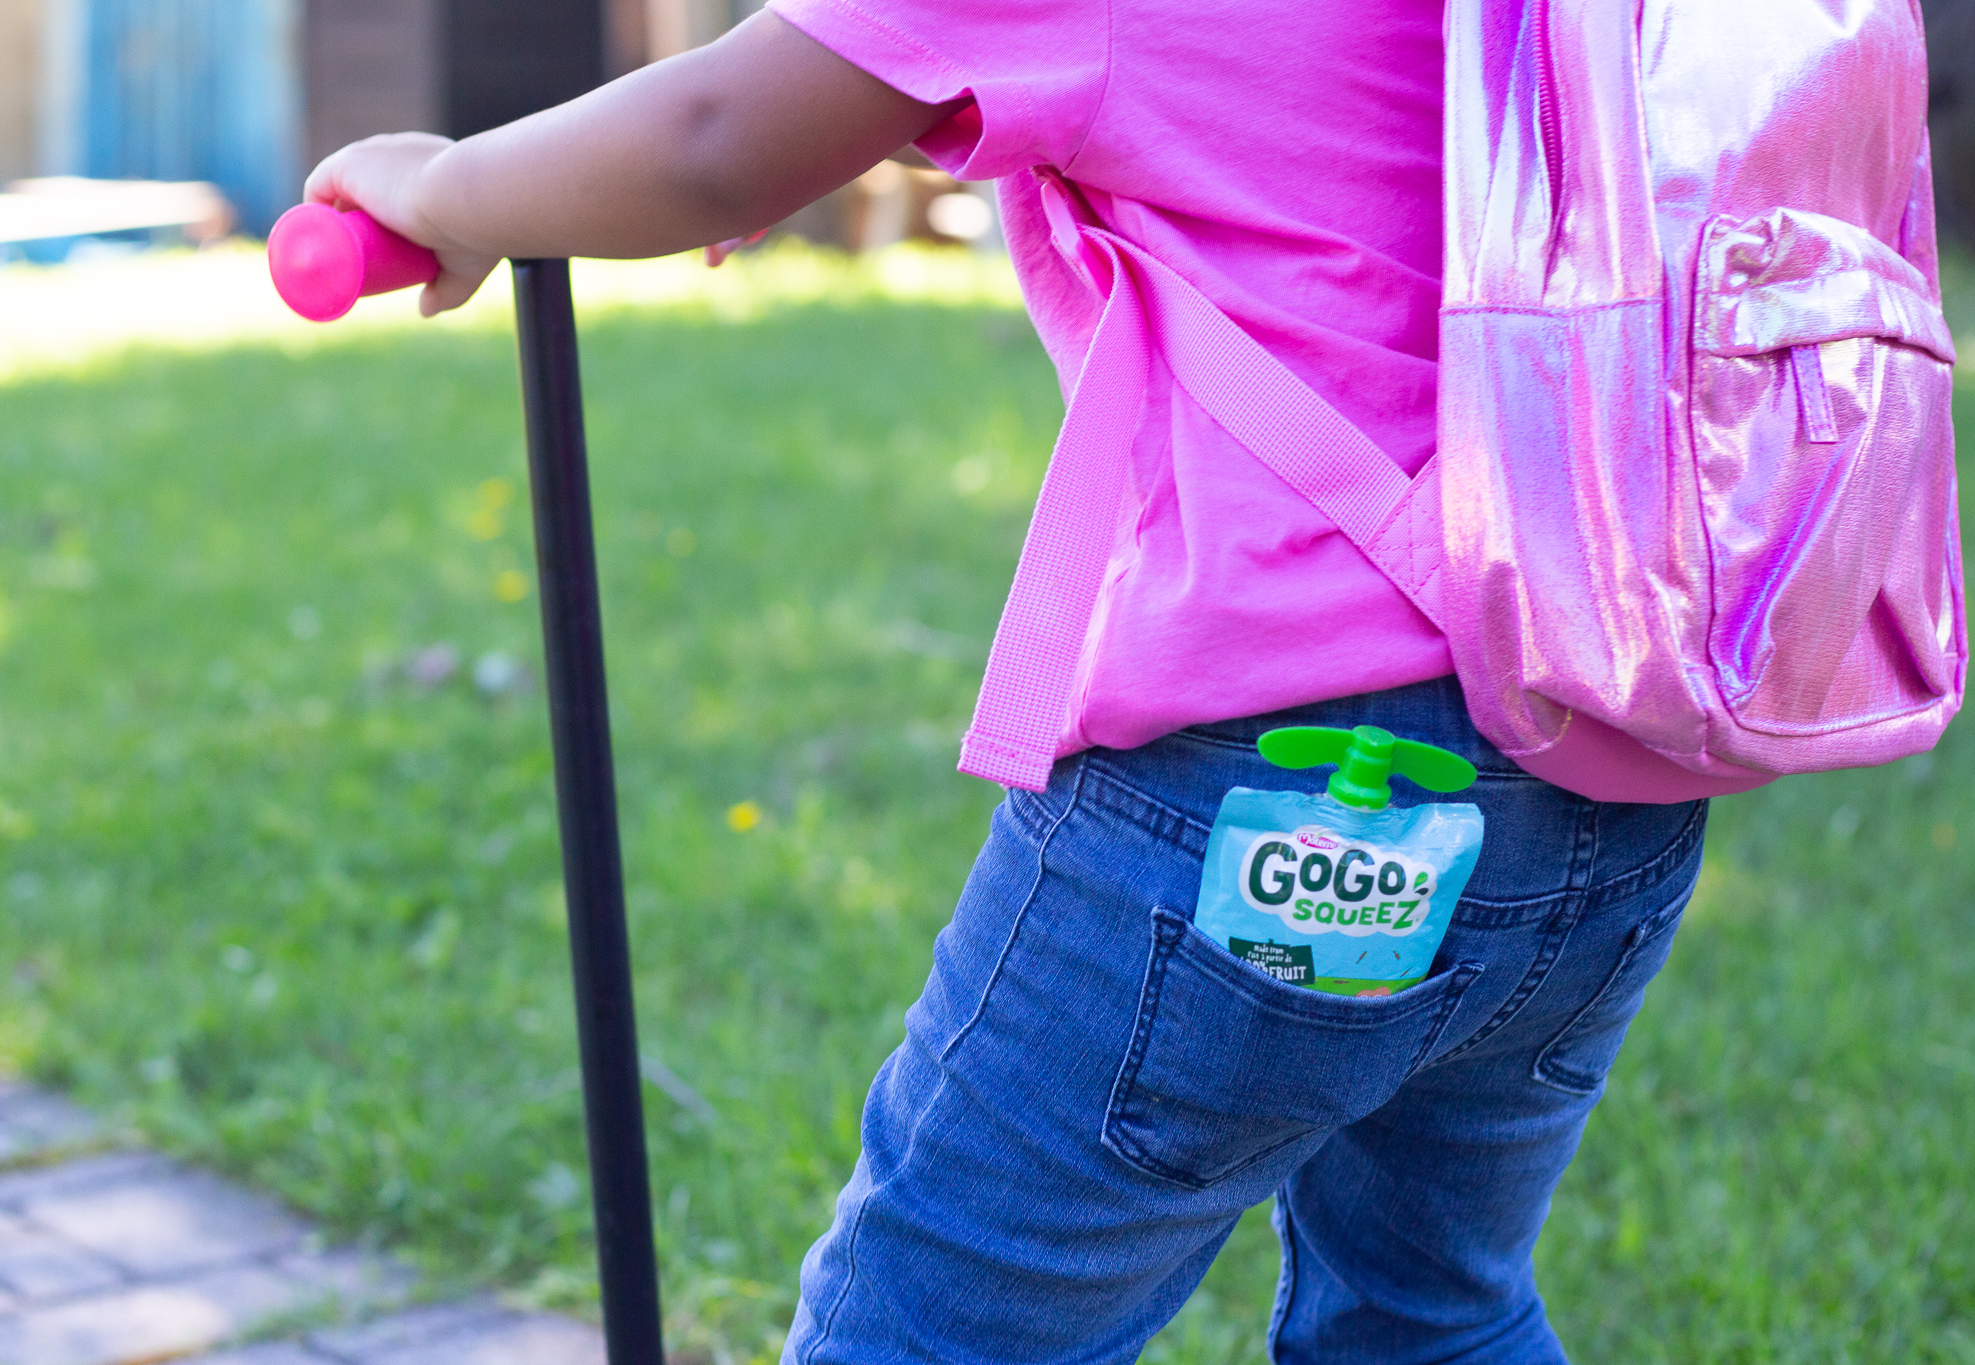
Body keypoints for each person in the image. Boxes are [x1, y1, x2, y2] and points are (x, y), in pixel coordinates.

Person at [306, 4, 1705, 1359]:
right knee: (1428, 1313)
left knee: (925, 1328)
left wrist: (446, 188)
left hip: (1271, 780)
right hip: (1603, 750)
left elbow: (712, 136)